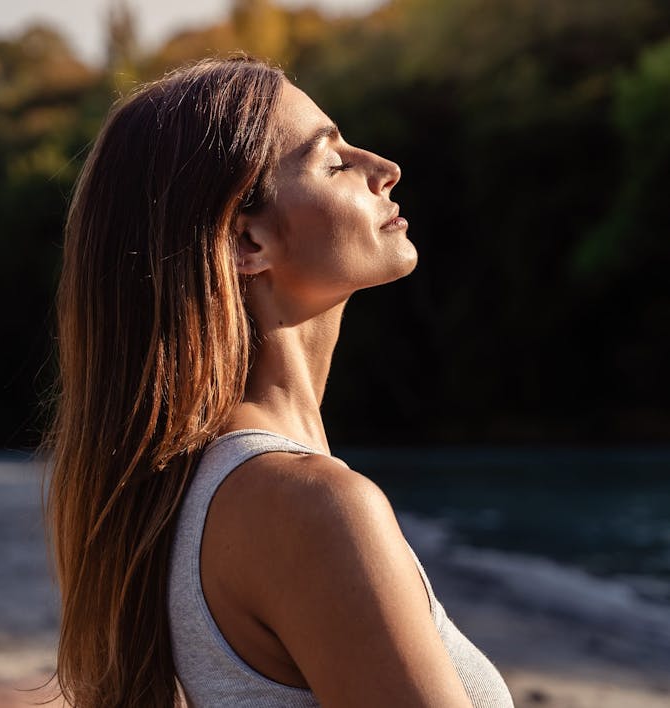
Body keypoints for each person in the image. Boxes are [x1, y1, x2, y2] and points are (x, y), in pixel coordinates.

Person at [44, 55, 515, 708]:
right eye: (333, 161)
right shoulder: (313, 509)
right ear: (246, 243)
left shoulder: (185, 497)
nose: (384, 169)